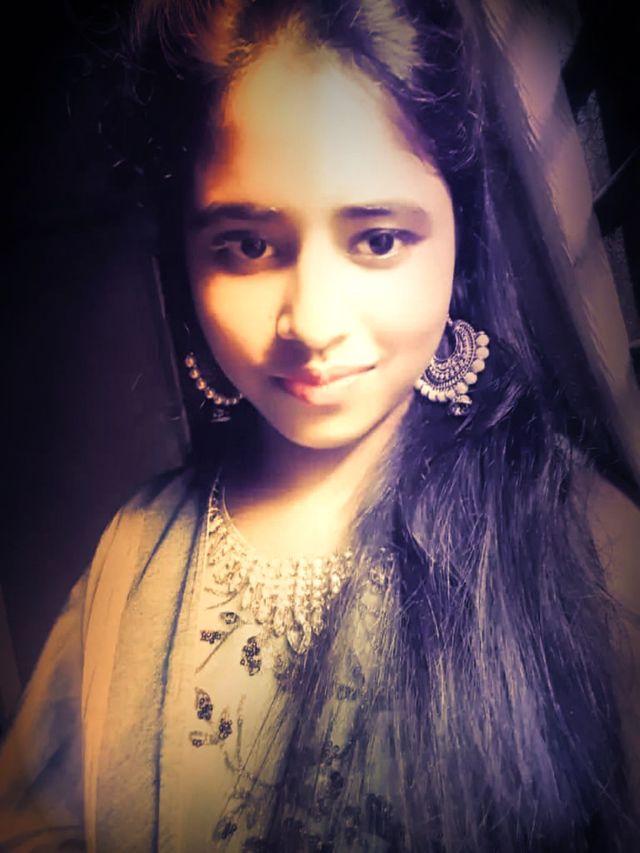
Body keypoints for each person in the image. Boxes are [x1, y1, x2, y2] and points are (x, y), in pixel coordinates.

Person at [1, 0, 639, 850]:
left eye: (377, 240)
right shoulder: (135, 552)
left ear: (458, 230)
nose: (310, 321)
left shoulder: (588, 547)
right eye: (248, 246)